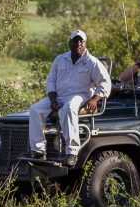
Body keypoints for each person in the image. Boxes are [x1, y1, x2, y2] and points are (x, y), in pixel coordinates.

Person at [29, 29, 111, 167]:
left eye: (81, 41)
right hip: (59, 96)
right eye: (75, 41)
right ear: (70, 43)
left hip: (81, 95)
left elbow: (105, 82)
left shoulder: (92, 62)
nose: (78, 44)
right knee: (35, 109)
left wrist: (95, 99)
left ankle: (72, 152)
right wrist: (53, 99)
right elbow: (51, 81)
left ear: (85, 44)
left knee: (68, 108)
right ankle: (39, 151)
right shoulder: (60, 59)